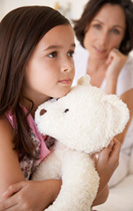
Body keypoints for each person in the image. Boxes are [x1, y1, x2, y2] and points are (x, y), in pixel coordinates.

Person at [0, 5, 121, 210]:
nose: (68, 65)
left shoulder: (66, 113)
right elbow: (14, 203)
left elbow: (101, 196)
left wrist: (102, 174)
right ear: (18, 59)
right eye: (52, 54)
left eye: (70, 53)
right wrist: (56, 189)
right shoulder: (4, 125)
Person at [73, 0, 133, 187]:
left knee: (87, 176)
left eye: (115, 31)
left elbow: (111, 145)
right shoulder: (73, 56)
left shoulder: (132, 73)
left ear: (124, 37)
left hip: (113, 155)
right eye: (97, 26)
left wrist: (112, 77)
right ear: (86, 24)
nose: (103, 40)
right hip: (73, 145)